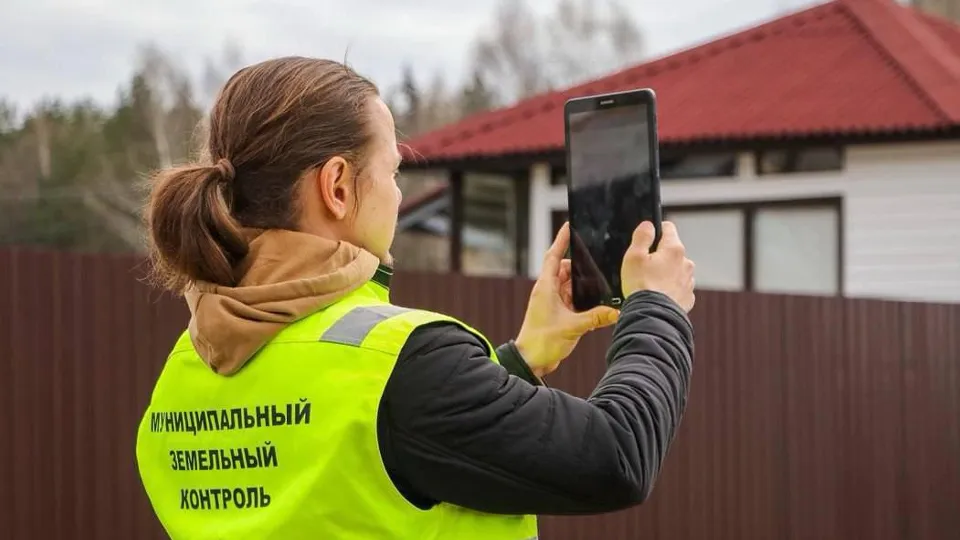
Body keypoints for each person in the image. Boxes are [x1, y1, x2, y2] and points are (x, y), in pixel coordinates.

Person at [134, 56, 696, 540]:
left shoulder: (182, 377)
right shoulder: (402, 365)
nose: (400, 194)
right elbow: (616, 456)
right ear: (336, 187)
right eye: (393, 170)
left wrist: (521, 361)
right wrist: (656, 308)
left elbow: (374, 469)